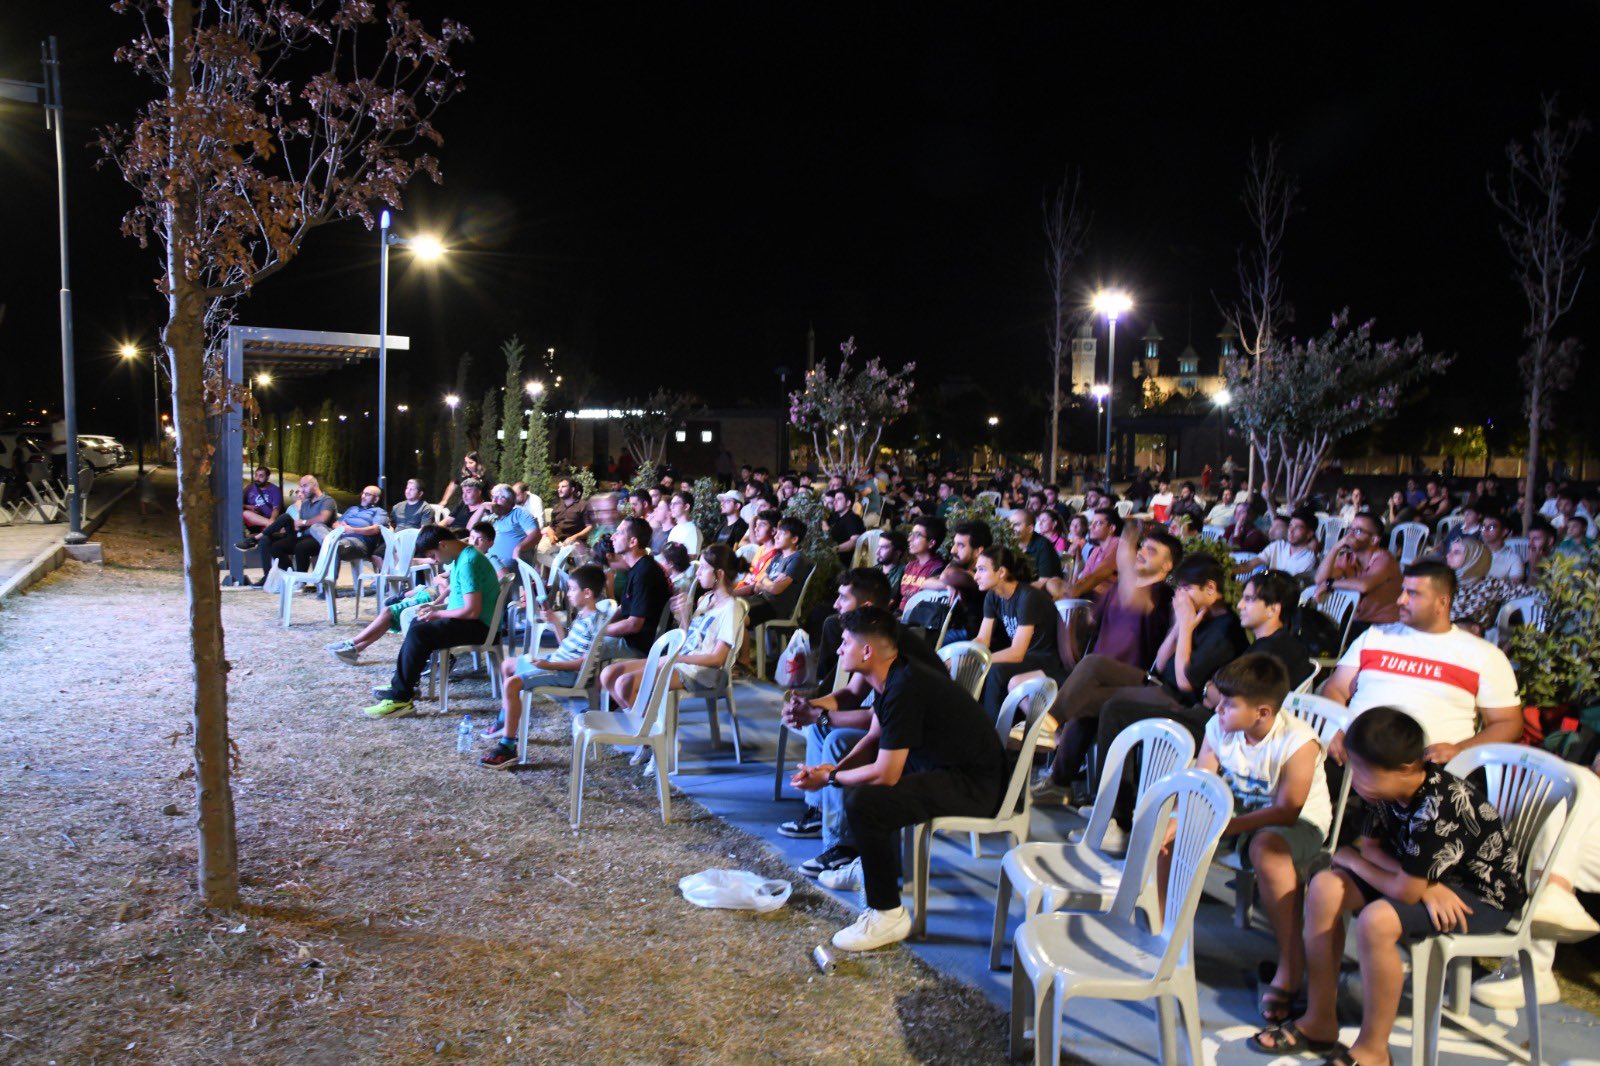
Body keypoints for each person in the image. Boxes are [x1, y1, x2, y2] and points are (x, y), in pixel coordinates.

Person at [1251, 707, 1525, 1065]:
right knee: (1324, 887)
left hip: (1480, 895)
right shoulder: (1383, 791)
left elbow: (1401, 889)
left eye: (1364, 771)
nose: (1356, 779)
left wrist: (1356, 862)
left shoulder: (1437, 807)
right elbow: (1373, 848)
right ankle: (1319, 1020)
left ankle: (1373, 1049)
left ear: (1407, 768)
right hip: (1422, 877)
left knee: (1378, 919)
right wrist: (1414, 882)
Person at [789, 606, 1006, 951]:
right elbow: (875, 736)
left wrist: (831, 779)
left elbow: (887, 773)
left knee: (867, 801)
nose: (838, 649)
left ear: (867, 651)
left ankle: (887, 914)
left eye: (844, 643)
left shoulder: (906, 685)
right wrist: (833, 771)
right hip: (942, 768)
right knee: (857, 787)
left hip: (974, 784)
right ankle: (868, 868)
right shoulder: (893, 675)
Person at [1037, 554, 1247, 830]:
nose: (1180, 595)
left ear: (1210, 588)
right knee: (1092, 664)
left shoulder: (1226, 630)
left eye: (1185, 588)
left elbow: (1186, 683)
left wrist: (1185, 627)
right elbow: (1160, 664)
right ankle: (1050, 729)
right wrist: (1178, 628)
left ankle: (1114, 814)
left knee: (1105, 707)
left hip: (1183, 702)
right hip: (1158, 683)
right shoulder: (1198, 615)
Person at [1188, 654, 1331, 1024]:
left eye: (1229, 704)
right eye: (1220, 699)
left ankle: (1290, 965)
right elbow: (1204, 779)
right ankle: (1163, 939)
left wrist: (1221, 826)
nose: (1218, 709)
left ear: (1263, 713)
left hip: (1300, 824)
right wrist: (1185, 818)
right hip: (1237, 815)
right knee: (1172, 834)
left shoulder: (1298, 742)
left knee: (1267, 850)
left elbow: (1286, 811)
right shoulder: (1218, 725)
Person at [1321, 560, 1521, 766]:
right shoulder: (1375, 636)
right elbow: (1336, 688)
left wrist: (1460, 750)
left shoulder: (1483, 655)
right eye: (1402, 591)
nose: (1400, 600)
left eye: (1413, 594)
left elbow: (1508, 723)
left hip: (1425, 767)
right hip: (1352, 753)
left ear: (1442, 602)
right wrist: (1335, 726)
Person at [479, 564, 609, 768]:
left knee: (512, 684)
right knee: (508, 665)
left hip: (567, 674)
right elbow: (566, 645)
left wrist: (548, 664)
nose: (568, 594)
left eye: (572, 589)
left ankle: (507, 746)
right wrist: (555, 623)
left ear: (587, 593)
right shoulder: (584, 615)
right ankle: (505, 722)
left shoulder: (595, 623)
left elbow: (584, 663)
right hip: (557, 664)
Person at [364, 525, 501, 718]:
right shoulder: (462, 557)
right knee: (417, 624)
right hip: (473, 622)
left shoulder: (469, 561)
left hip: (482, 627)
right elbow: (460, 599)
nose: (436, 561)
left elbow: (472, 610)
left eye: (434, 555)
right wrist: (435, 608)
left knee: (421, 633)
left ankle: (401, 699)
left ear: (443, 545)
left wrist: (438, 614)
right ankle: (404, 686)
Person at [599, 544, 743, 713]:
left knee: (625, 684)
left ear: (719, 574)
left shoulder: (731, 608)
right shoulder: (706, 599)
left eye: (703, 568)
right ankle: (641, 724)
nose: (697, 572)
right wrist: (683, 615)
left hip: (703, 673)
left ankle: (651, 734)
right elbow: (692, 638)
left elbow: (717, 659)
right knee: (608, 674)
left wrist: (676, 658)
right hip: (682, 661)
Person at [972, 545, 1064, 715]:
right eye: (976, 570)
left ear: (1001, 572)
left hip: (1046, 660)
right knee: (969, 664)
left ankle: (993, 733)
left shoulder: (1027, 597)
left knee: (995, 671)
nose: (976, 576)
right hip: (1027, 657)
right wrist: (963, 654)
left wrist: (980, 659)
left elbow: (1017, 653)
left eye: (982, 570)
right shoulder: (993, 596)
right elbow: (982, 640)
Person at [592, 515, 671, 663]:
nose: (613, 537)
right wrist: (602, 624)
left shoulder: (644, 573)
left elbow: (634, 625)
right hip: (634, 638)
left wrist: (599, 632)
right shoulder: (638, 567)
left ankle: (567, 681)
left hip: (640, 645)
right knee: (588, 638)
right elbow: (624, 607)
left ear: (633, 542)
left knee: (588, 645)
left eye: (619, 533)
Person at [1311, 512, 1402, 635]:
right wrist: (1335, 548)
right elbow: (1320, 579)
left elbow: (1364, 586)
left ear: (1374, 540)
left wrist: (1330, 583)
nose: (1350, 535)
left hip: (1383, 627)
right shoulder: (1349, 558)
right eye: (1350, 529)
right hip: (1357, 622)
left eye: (1358, 531)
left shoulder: (1384, 559)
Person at [1237, 571, 1315, 689]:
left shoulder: (1270, 654)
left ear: (1273, 609)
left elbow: (1237, 695)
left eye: (1248, 599)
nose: (1240, 605)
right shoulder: (1279, 643)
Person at [258, 475, 337, 575]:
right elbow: (300, 523)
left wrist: (303, 522)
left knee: (301, 546)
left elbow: (323, 518)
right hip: (303, 536)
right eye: (300, 486)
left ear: (315, 485)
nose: (302, 490)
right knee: (276, 546)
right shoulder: (305, 503)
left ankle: (301, 581)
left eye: (305, 486)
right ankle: (292, 575)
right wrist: (295, 525)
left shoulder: (327, 501)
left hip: (319, 538)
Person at [927, 519, 992, 641]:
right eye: (954, 543)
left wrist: (948, 580)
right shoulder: (960, 565)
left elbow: (946, 576)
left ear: (978, 551)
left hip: (969, 637)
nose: (953, 550)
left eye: (960, 545)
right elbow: (926, 582)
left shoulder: (980, 577)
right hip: (950, 627)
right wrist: (947, 586)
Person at [743, 516, 811, 630]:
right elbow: (757, 586)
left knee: (737, 618)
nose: (776, 536)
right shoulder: (777, 558)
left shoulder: (797, 559)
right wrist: (769, 583)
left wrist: (766, 582)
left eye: (782, 534)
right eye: (777, 532)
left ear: (794, 539)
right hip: (760, 599)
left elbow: (776, 589)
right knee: (731, 609)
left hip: (774, 606)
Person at [1235, 508, 1319, 581]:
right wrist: (1230, 570)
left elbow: (1288, 582)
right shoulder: (1278, 545)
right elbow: (1251, 564)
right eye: (1290, 525)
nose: (1291, 530)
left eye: (1297, 527)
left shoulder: (1308, 559)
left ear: (1309, 534)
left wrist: (1265, 574)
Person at [483, 483, 540, 576]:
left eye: (499, 497)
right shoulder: (492, 517)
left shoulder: (519, 513)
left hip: (508, 570)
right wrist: (482, 507)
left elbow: (536, 534)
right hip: (490, 564)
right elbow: (470, 528)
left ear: (511, 502)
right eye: (493, 497)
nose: (494, 501)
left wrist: (519, 547)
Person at [330, 485, 391, 563]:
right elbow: (336, 523)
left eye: (367, 494)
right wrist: (341, 527)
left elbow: (375, 529)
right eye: (363, 493)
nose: (363, 496)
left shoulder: (379, 511)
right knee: (317, 527)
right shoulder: (352, 509)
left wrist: (353, 530)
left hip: (359, 542)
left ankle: (329, 574)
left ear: (376, 499)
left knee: (334, 547)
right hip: (341, 537)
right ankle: (327, 542)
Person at [538, 477, 594, 557]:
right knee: (541, 550)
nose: (559, 489)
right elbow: (551, 527)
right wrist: (551, 536)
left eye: (563, 487)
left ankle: (562, 567)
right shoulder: (557, 507)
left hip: (575, 542)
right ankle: (558, 568)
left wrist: (575, 537)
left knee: (565, 555)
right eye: (558, 487)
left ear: (572, 489)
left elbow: (590, 527)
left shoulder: (583, 505)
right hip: (557, 541)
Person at [896, 517, 946, 606]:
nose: (909, 539)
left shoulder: (938, 569)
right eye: (911, 534)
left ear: (931, 543)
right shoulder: (909, 566)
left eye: (917, 535)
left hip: (916, 616)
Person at [1009, 508, 1062, 582]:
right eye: (1009, 524)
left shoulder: (1044, 546)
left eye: (1016, 525)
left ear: (1030, 529)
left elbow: (1043, 581)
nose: (1010, 528)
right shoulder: (1008, 543)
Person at [1480, 512, 1524, 582]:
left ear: (1504, 532)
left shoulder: (1513, 558)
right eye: (1483, 526)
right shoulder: (1474, 553)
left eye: (1491, 527)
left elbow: (1514, 587)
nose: (1486, 529)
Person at [824, 487, 866, 560]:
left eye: (839, 499)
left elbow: (854, 542)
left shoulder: (853, 519)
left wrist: (833, 549)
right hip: (830, 554)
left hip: (841, 559)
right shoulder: (835, 515)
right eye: (835, 499)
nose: (834, 502)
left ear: (848, 503)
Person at [240, 466, 282, 536]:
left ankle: (268, 526)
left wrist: (272, 519)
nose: (257, 478)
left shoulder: (275, 490)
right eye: (256, 475)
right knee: (245, 513)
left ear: (267, 477)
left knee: (266, 532)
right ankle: (271, 526)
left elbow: (276, 509)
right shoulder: (249, 488)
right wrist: (248, 506)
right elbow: (238, 504)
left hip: (267, 518)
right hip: (252, 521)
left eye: (261, 476)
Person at [666, 491, 702, 555]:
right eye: (671, 504)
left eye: (676, 503)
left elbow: (692, 557)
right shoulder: (675, 528)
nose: (672, 507)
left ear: (686, 507)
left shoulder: (693, 531)